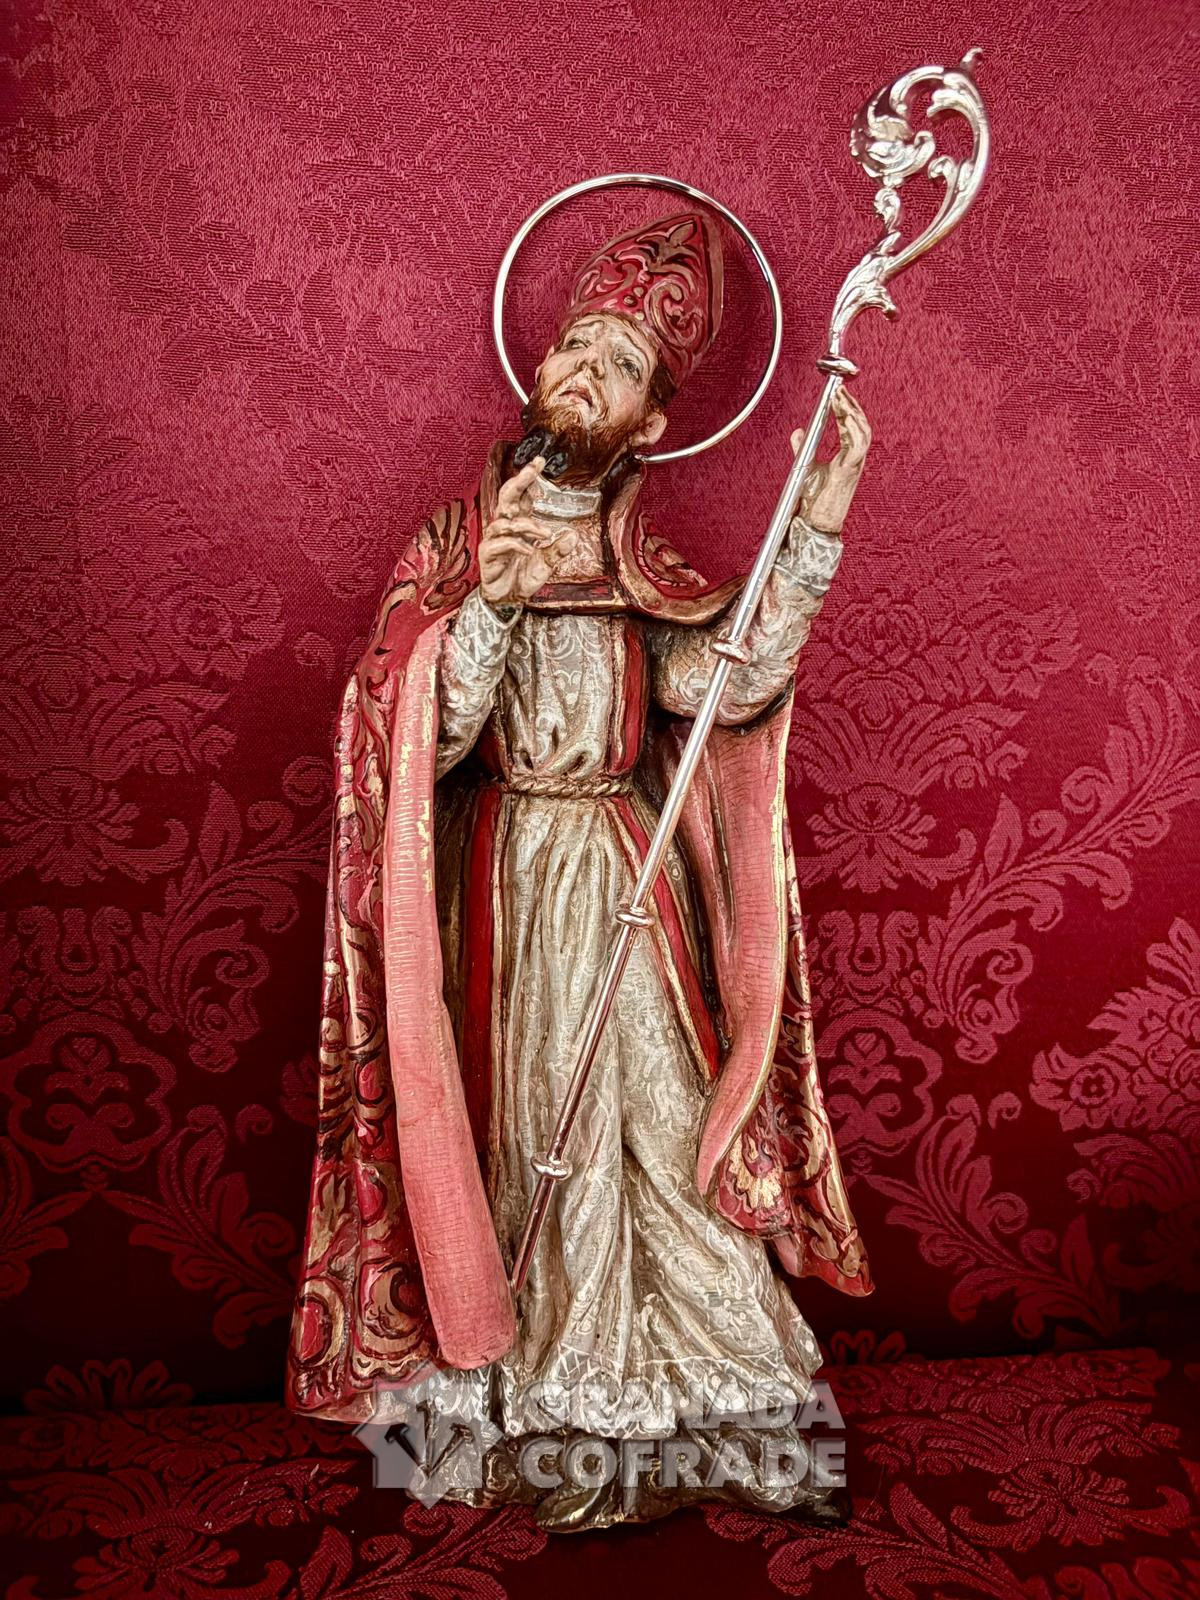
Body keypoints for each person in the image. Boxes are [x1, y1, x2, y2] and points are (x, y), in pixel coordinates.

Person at [288, 212, 872, 1530]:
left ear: (653, 422)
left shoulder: (638, 565)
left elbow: (724, 689)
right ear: (538, 368)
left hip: (622, 873)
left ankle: (722, 1404)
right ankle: (546, 1407)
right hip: (501, 889)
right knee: (523, 1137)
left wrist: (817, 522)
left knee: (665, 1129)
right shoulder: (454, 544)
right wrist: (487, 607)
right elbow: (415, 743)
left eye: (620, 367)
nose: (586, 376)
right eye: (576, 350)